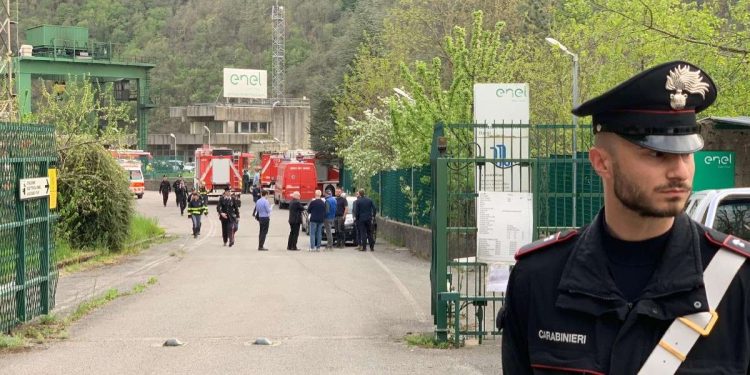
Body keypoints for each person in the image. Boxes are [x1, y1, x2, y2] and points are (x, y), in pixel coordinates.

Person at [499, 61, 750, 374]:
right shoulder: (539, 280)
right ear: (602, 163)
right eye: (657, 154)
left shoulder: (738, 281)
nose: (680, 172)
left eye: (686, 153)